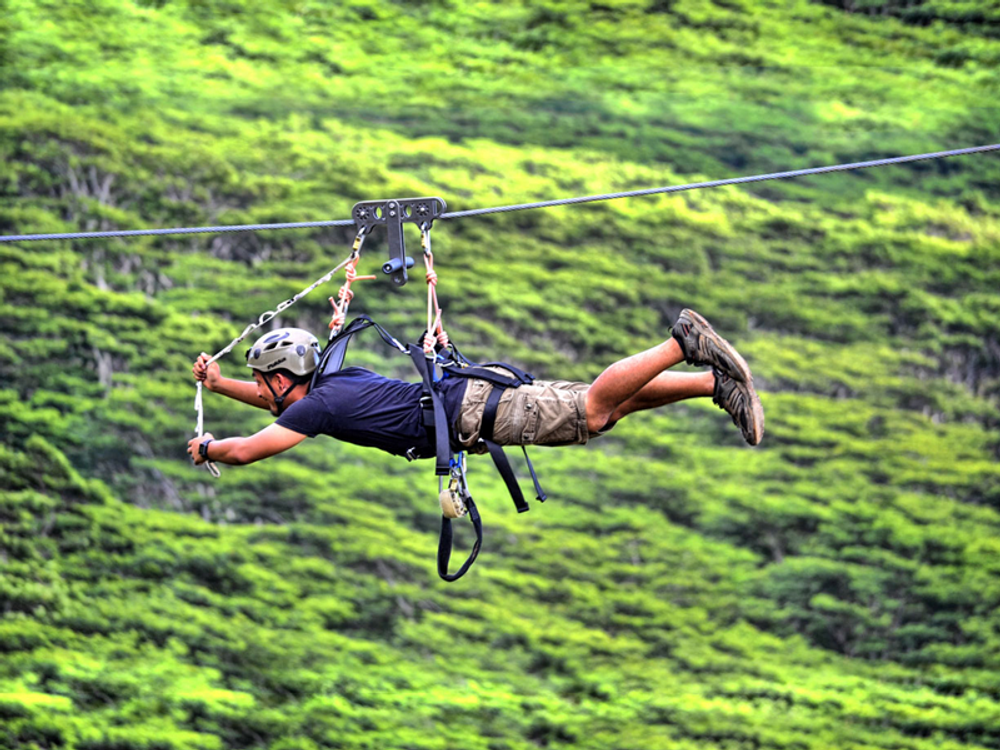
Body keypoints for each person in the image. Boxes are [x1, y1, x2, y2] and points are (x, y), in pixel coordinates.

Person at [186, 309, 763, 468]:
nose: (263, 391)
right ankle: (712, 382)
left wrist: (208, 448)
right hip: (471, 402)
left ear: (285, 378)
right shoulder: (331, 384)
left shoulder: (317, 406)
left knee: (591, 409)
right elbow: (272, 402)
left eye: (265, 381)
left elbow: (245, 449)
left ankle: (681, 342)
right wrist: (218, 384)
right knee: (603, 414)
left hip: (475, 413)